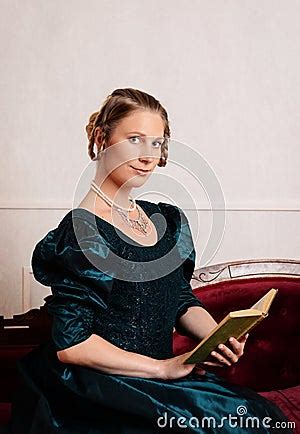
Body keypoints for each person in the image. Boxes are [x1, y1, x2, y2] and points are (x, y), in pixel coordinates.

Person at [8, 88, 293, 434]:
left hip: (163, 377)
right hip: (104, 387)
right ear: (102, 138)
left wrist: (216, 336)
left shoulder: (166, 221)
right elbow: (73, 345)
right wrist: (162, 369)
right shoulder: (83, 233)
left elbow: (180, 299)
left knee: (254, 419)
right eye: (134, 140)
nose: (147, 156)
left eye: (156, 143)